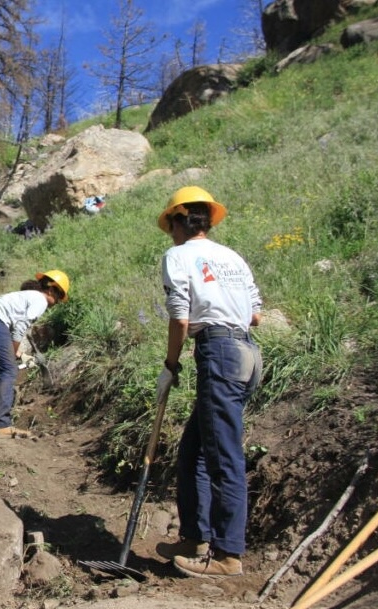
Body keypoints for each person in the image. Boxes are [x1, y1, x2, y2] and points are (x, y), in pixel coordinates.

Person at [153, 186, 262, 579]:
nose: (171, 234)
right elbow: (255, 316)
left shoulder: (178, 256)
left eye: (171, 227)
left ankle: (228, 555)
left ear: (180, 220)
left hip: (219, 354)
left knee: (223, 457)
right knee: (194, 452)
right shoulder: (232, 256)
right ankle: (194, 537)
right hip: (248, 355)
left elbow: (180, 317)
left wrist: (170, 364)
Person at [0, 270, 69, 439]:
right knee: (8, 370)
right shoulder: (40, 300)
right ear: (52, 290)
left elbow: (9, 327)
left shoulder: (26, 296)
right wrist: (14, 351)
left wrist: (19, 353)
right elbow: (21, 326)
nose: (57, 303)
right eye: (59, 297)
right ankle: (1, 425)